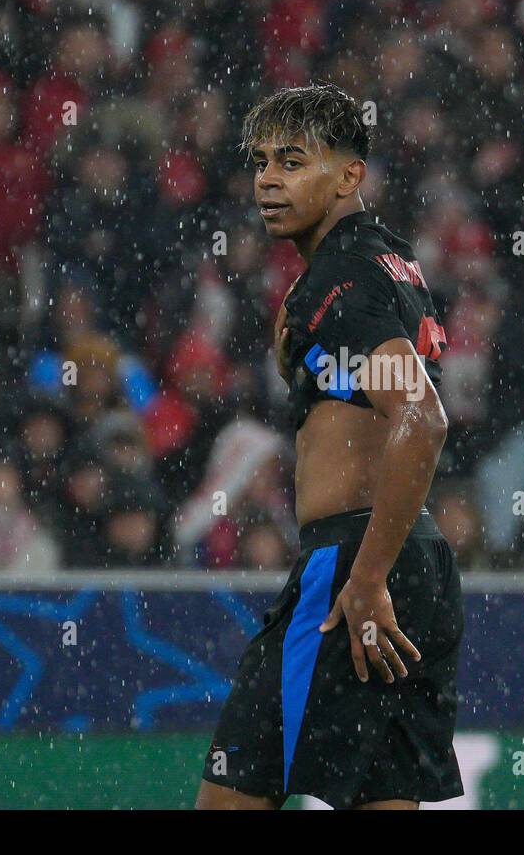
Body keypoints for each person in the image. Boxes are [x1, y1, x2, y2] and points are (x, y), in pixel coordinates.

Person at [196, 84, 463, 810]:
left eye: (293, 161)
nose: (268, 180)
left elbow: (421, 417)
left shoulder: (341, 279)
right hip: (419, 558)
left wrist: (368, 576)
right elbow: (376, 391)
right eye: (260, 163)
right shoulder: (390, 263)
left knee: (228, 801)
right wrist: (304, 362)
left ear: (349, 176)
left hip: (354, 561)